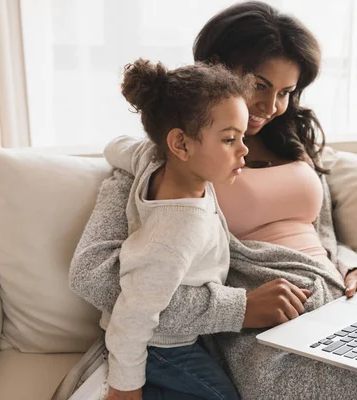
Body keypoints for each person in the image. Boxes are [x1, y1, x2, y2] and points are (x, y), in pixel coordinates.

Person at [70, 2, 357, 399]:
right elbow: (94, 275)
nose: (271, 106)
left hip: (346, 306)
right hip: (281, 334)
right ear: (217, 68)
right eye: (259, 85)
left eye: (286, 92)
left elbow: (320, 234)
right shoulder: (166, 158)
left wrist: (352, 266)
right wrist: (238, 307)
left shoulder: (291, 142)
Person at [102, 59, 255, 400]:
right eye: (230, 139)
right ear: (181, 144)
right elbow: (134, 314)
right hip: (161, 345)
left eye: (242, 136)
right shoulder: (177, 231)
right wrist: (124, 389)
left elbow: (115, 147)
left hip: (170, 336)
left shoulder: (152, 158)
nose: (244, 150)